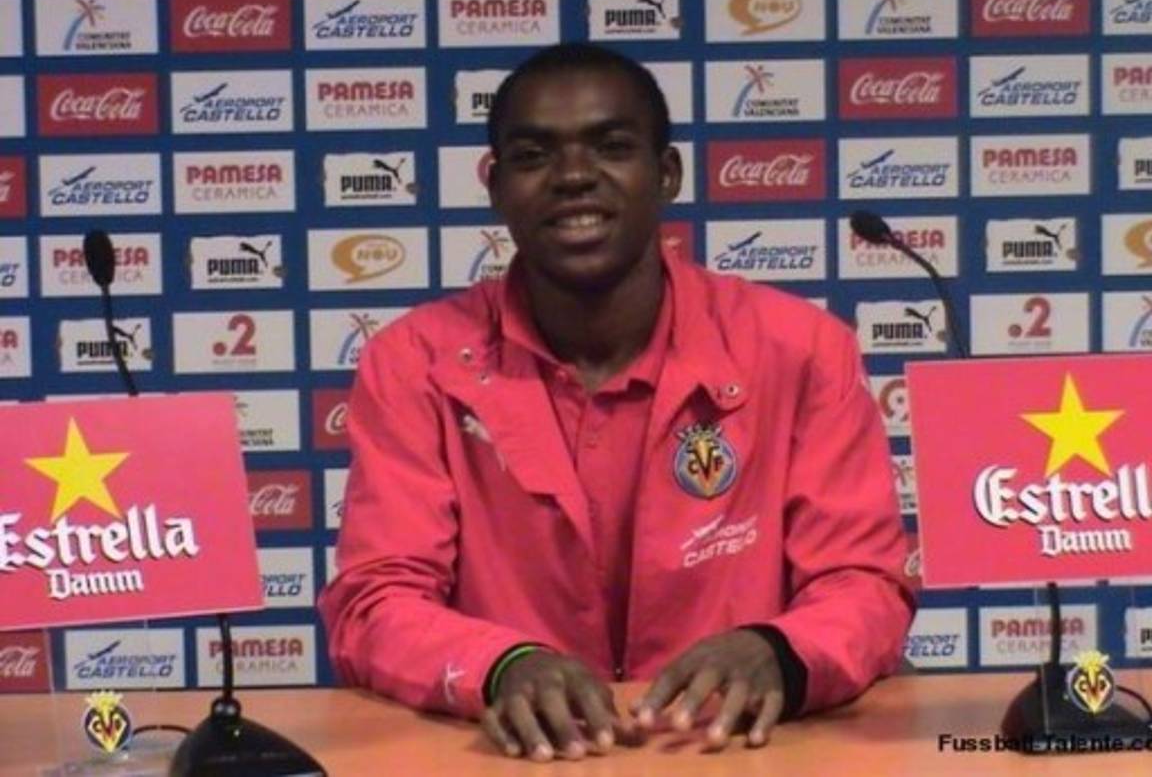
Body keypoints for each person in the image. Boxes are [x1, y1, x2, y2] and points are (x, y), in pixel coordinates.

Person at [318, 42, 915, 762]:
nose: (574, 176)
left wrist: (780, 653)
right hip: (516, 757)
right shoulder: (413, 362)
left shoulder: (801, 349)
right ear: (495, 186)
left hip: (739, 751)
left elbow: (862, 583)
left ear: (666, 175)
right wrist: (500, 667)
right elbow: (376, 600)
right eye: (534, 155)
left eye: (611, 146)